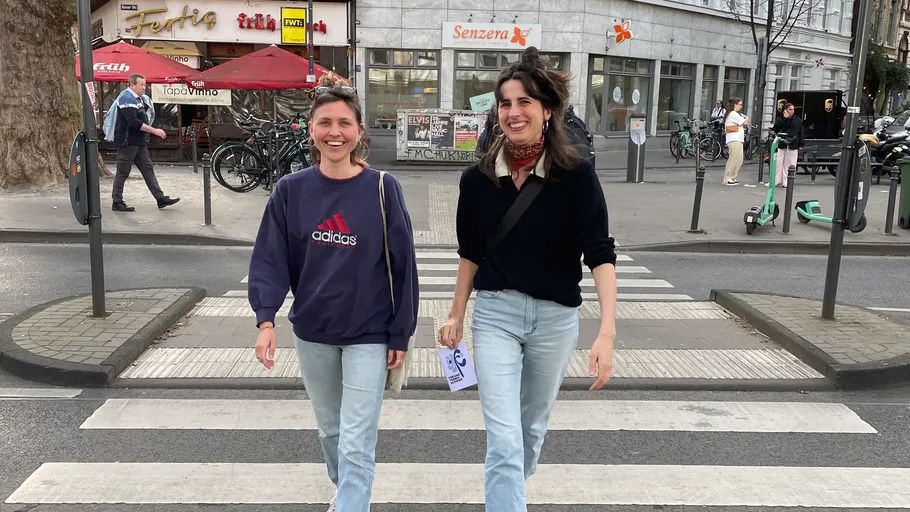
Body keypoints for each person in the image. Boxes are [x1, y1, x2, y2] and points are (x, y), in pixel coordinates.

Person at [437, 46, 618, 512]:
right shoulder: (477, 180)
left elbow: (600, 253)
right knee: (503, 441)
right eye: (505, 103)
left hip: (555, 319)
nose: (513, 112)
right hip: (496, 315)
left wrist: (607, 331)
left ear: (547, 110)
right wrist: (455, 314)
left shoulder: (576, 176)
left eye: (524, 102)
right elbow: (470, 253)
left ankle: (513, 485)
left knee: (529, 431)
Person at [248, 85, 419, 512]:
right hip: (313, 332)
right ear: (311, 129)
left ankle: (349, 502)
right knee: (332, 433)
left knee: (357, 442)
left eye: (344, 123)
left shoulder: (383, 188)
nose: (335, 132)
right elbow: (270, 257)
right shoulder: (291, 190)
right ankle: (347, 495)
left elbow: (404, 266)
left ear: (359, 131)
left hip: (369, 332)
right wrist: (266, 320)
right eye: (325, 123)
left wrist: (401, 332)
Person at [111, 73, 179, 212]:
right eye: (141, 85)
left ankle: (160, 198)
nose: (144, 87)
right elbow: (133, 122)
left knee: (148, 169)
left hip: (139, 141)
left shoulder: (139, 98)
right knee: (123, 172)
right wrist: (154, 130)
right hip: (127, 141)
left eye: (145, 85)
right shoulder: (126, 98)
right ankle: (117, 201)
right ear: (132, 85)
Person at [770, 102, 805, 187]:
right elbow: (776, 129)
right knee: (778, 163)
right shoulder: (780, 119)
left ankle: (786, 181)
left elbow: (801, 132)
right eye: (790, 109)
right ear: (785, 110)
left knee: (789, 163)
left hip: (793, 143)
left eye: (793, 109)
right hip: (781, 143)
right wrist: (784, 118)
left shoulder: (797, 120)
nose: (792, 111)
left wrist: (801, 144)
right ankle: (777, 180)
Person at [722, 97, 748, 186]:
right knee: (733, 159)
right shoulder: (733, 114)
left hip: (738, 139)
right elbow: (745, 122)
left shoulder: (734, 114)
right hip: (734, 139)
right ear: (735, 105)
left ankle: (732, 176)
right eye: (740, 104)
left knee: (739, 159)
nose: (741, 106)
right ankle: (727, 178)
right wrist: (746, 118)